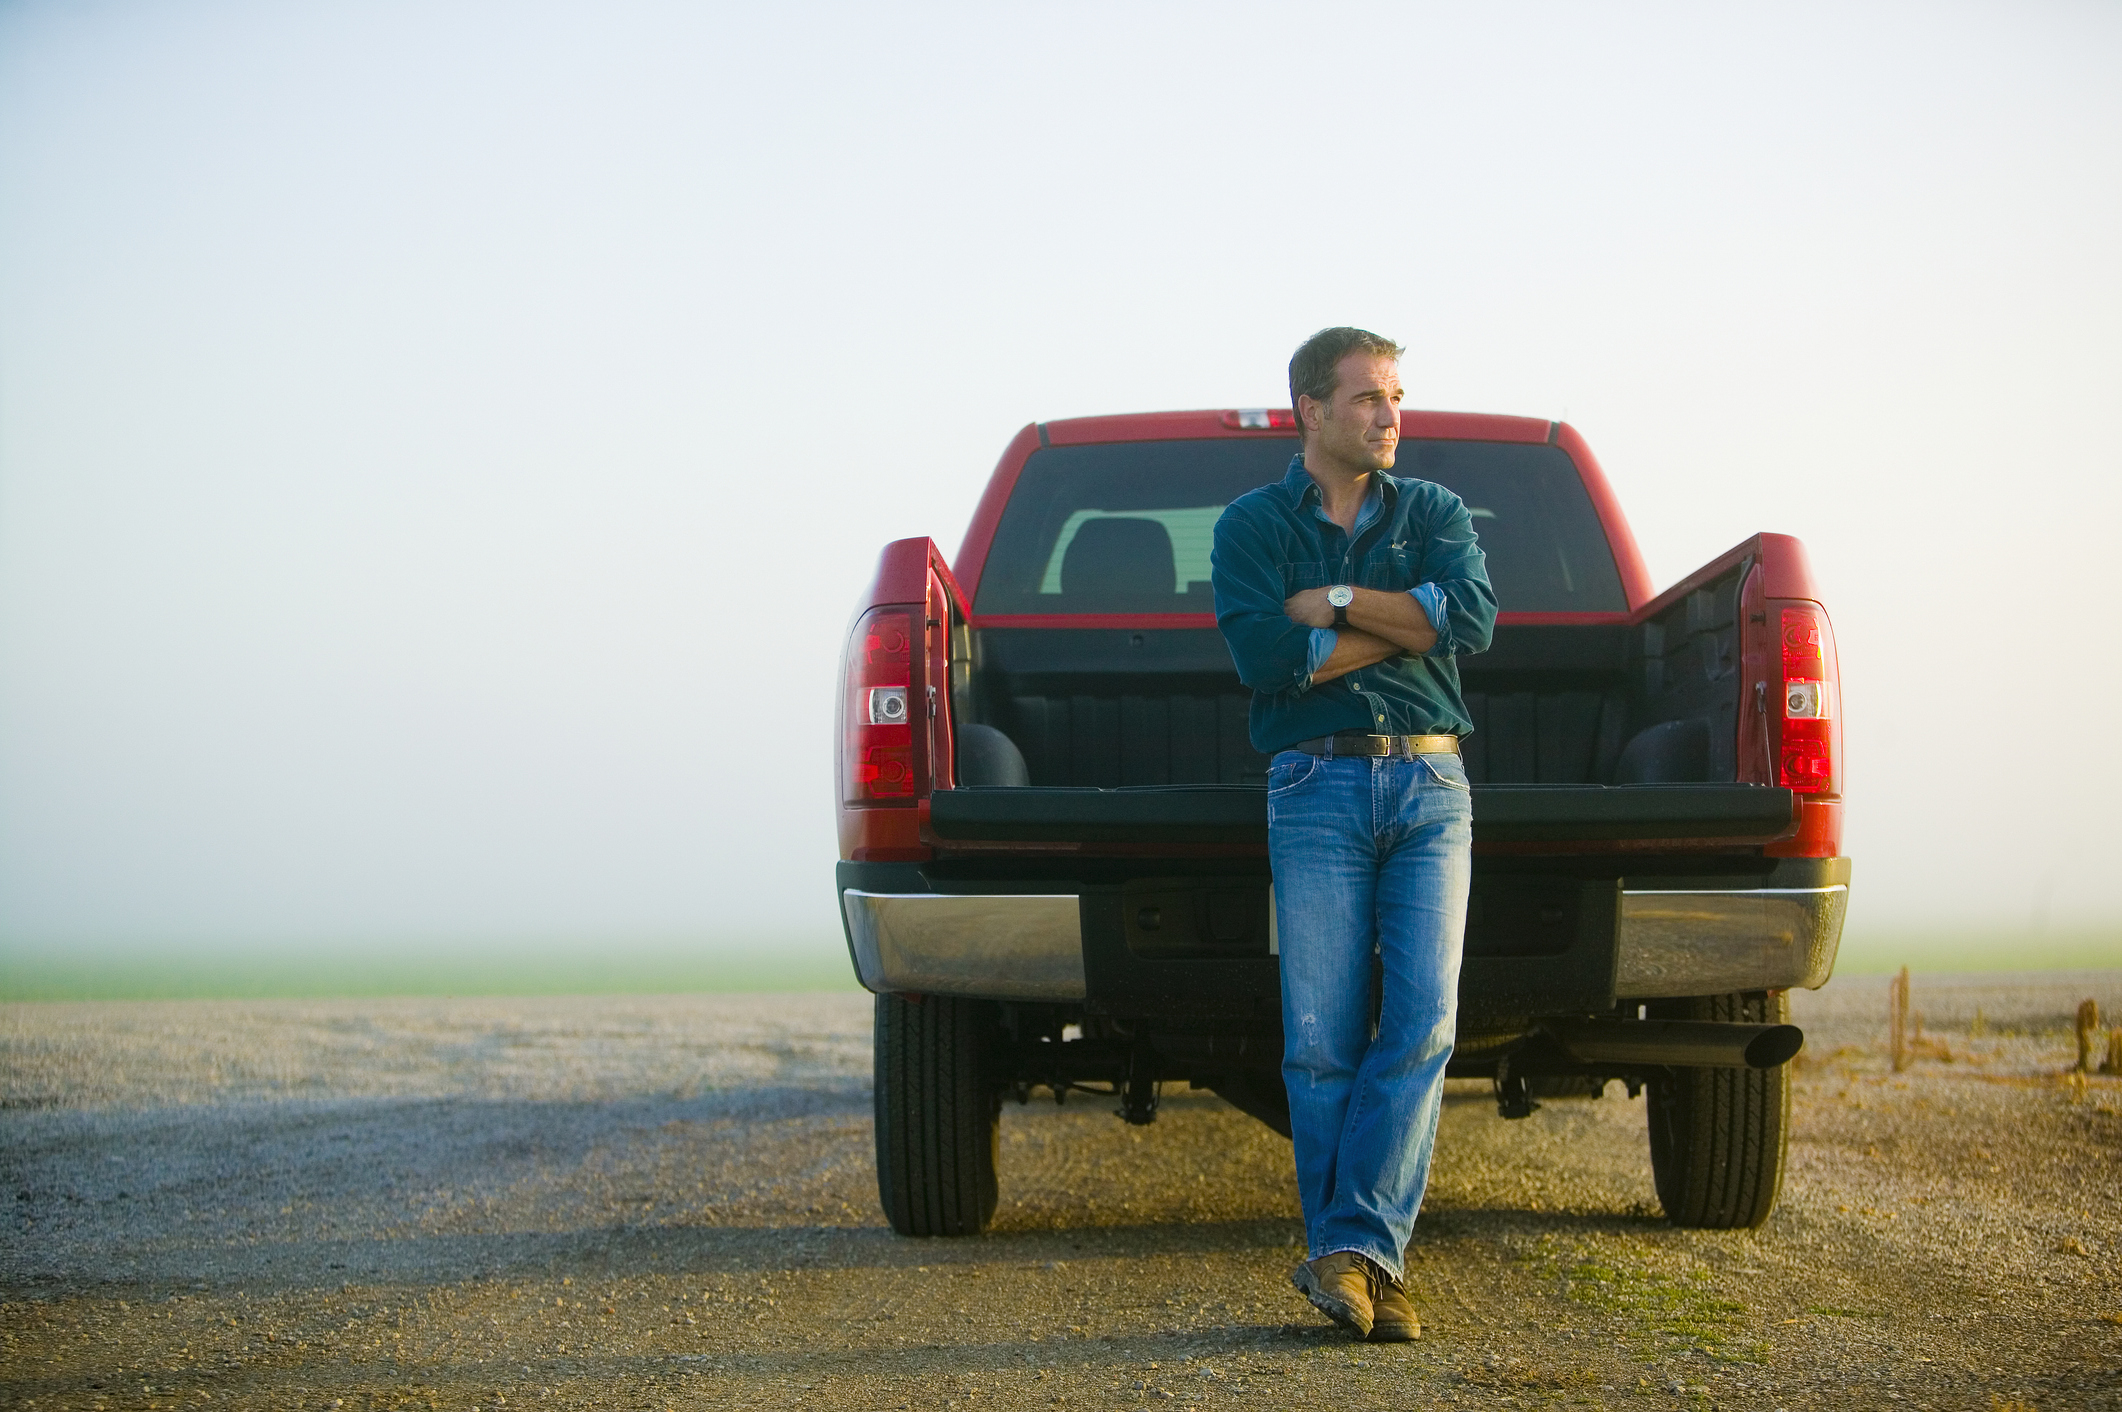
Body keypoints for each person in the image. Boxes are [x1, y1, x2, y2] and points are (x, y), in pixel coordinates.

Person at [1209, 326, 1496, 1341]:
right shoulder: (1250, 523)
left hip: (1430, 778)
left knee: (1421, 1023)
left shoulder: (1433, 509)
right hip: (1313, 782)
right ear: (1311, 410)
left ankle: (1356, 1250)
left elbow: (1469, 617)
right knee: (1322, 1040)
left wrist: (1333, 604)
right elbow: (1260, 653)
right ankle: (1361, 1258)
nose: (1389, 415)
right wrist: (1400, 618)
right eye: (1368, 397)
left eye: (1395, 395)